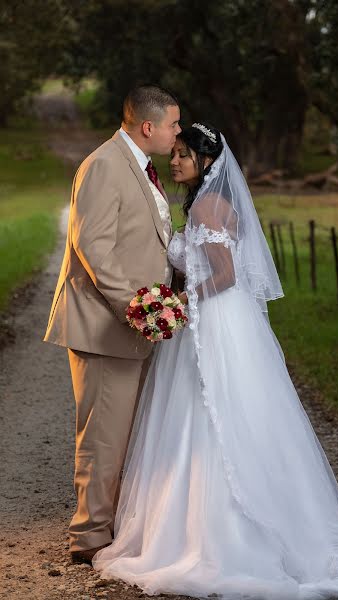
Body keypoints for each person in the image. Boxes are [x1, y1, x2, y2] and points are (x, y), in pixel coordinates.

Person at [93, 124, 338, 599]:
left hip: (212, 321)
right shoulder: (200, 203)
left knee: (213, 414)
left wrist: (178, 304)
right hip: (205, 318)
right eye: (173, 153)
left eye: (183, 155)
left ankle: (226, 536)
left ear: (207, 162)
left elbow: (224, 274)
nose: (175, 162)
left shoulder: (212, 205)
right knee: (198, 418)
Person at [43, 85, 181, 564]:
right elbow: (94, 248)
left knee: (124, 432)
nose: (177, 132)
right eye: (173, 124)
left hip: (129, 325)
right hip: (104, 326)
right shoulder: (104, 165)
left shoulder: (140, 166)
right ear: (148, 126)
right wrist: (141, 307)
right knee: (102, 434)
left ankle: (112, 526)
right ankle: (88, 538)